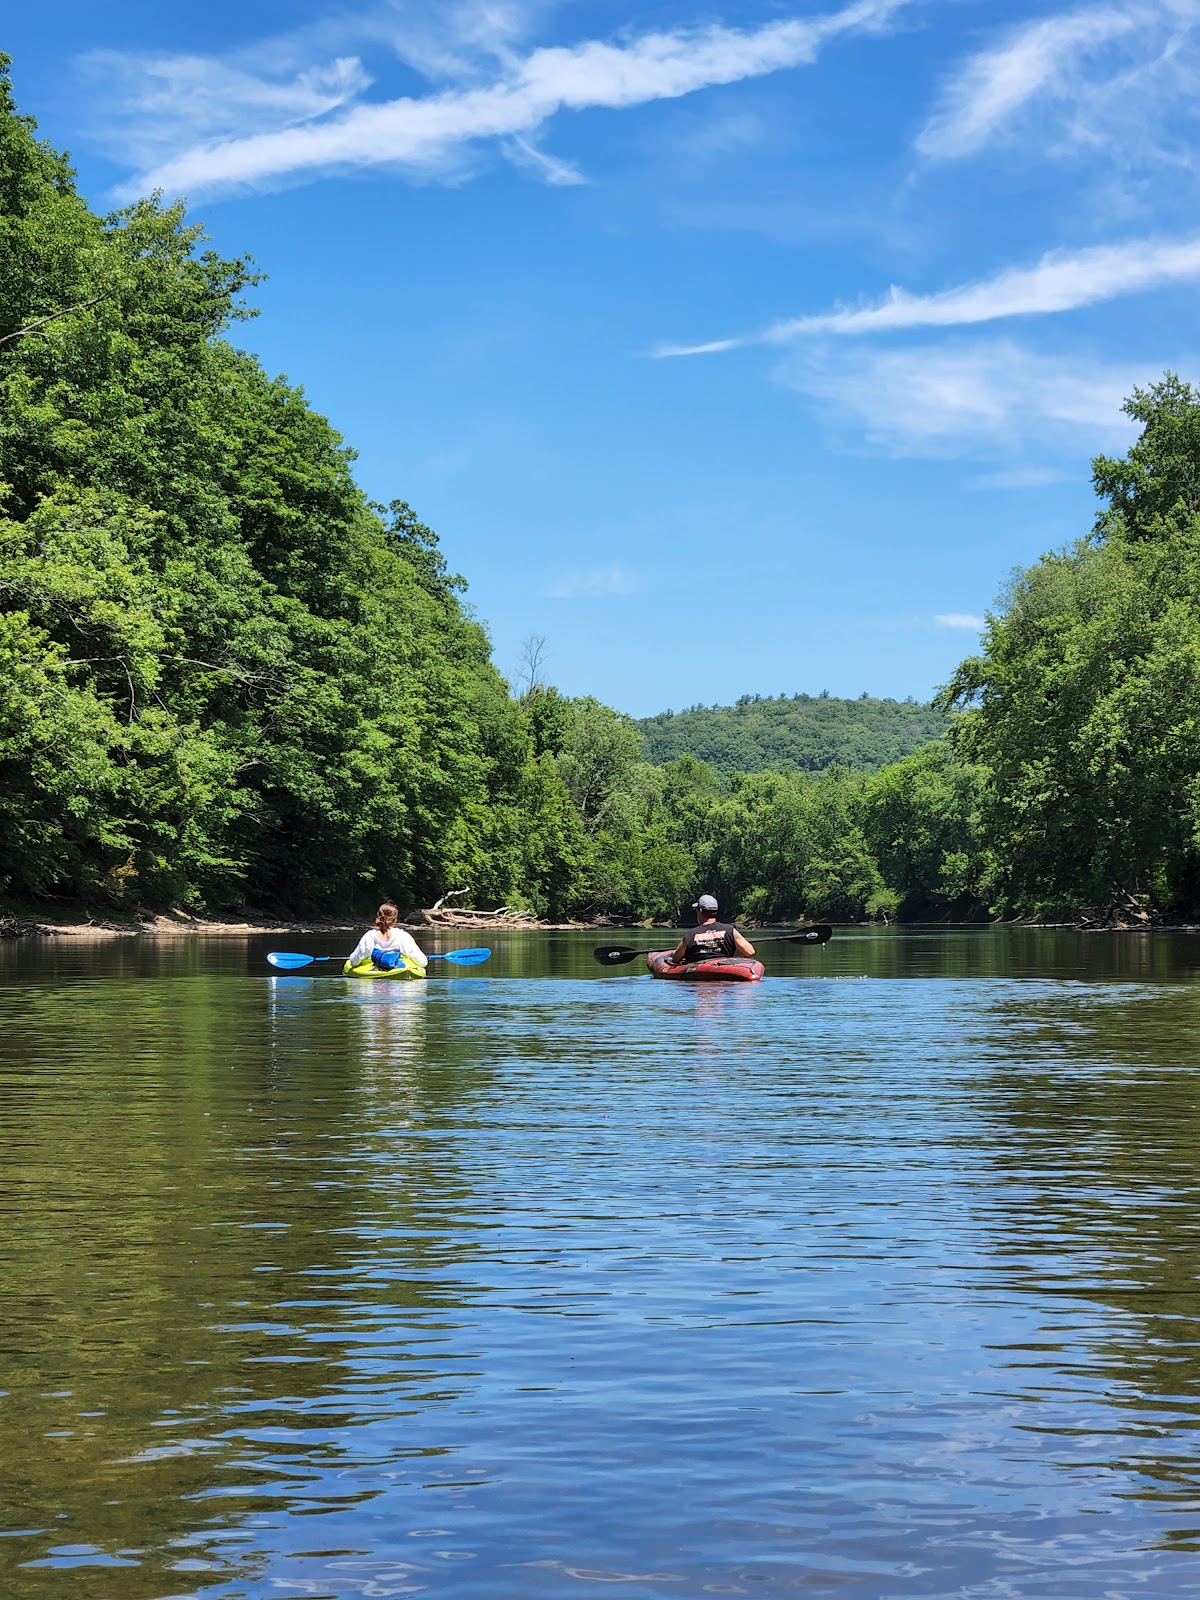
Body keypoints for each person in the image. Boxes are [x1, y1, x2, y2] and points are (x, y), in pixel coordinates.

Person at [344, 902, 429, 975]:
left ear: (378, 916)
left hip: (373, 977)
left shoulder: (369, 936)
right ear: (395, 919)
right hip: (399, 975)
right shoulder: (402, 936)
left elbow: (354, 961)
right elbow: (423, 962)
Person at [670, 894, 756, 965]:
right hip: (725, 972)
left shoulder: (689, 935)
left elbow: (675, 959)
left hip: (699, 977)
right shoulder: (730, 930)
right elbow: (749, 952)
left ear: (700, 910)